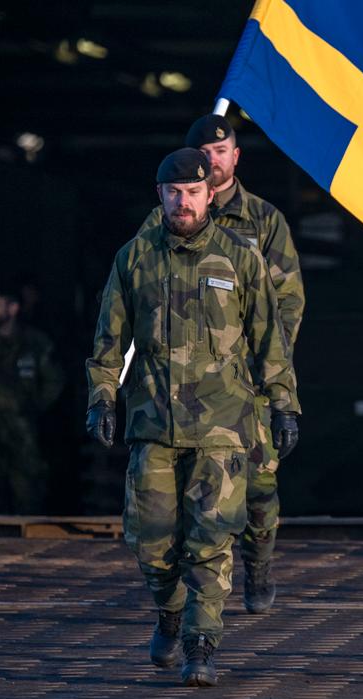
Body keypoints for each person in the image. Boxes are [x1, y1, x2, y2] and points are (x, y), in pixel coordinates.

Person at [86, 148, 299, 686]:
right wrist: (102, 397)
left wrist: (283, 405)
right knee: (151, 542)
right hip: (153, 422)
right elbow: (110, 341)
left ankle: (201, 644)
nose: (184, 202)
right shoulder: (134, 258)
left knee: (211, 540)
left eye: (194, 192)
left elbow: (269, 339)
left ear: (209, 195)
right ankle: (169, 611)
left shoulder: (240, 257)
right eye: (174, 192)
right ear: (160, 195)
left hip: (222, 425)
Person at [141, 114, 305, 612]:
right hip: (185, 386)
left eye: (220, 151)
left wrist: (267, 374)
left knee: (259, 485)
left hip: (249, 382)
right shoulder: (163, 221)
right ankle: (195, 599)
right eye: (204, 153)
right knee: (186, 493)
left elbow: (285, 305)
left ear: (235, 156)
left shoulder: (264, 221)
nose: (212, 160)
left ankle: (258, 563)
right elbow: (139, 288)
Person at [0, 277, 64, 513]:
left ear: (12, 308)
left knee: (27, 500)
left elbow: (54, 381)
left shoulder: (35, 343)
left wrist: (30, 407)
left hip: (25, 438)